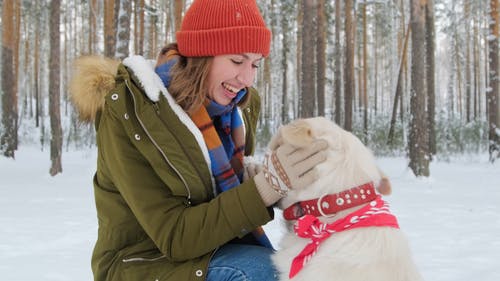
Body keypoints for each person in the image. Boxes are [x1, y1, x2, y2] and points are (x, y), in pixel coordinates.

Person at [70, 0, 327, 280]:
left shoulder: (238, 109)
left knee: (307, 265)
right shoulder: (133, 112)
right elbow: (174, 236)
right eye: (237, 61)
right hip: (141, 262)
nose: (247, 78)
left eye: (255, 64)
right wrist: (261, 191)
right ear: (201, 55)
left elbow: (224, 202)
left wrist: (275, 188)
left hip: (215, 249)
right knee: (261, 272)